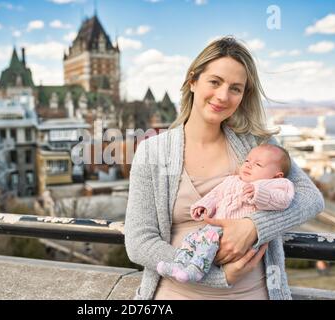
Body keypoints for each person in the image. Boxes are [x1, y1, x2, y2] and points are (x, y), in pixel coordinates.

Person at [124, 36, 324, 300]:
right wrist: (217, 276)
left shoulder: (256, 144)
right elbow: (139, 242)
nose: (222, 96)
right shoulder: (152, 152)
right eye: (215, 82)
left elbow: (311, 198)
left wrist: (252, 226)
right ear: (193, 81)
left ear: (243, 96)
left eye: (235, 88)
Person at [157, 144, 295, 284]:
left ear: (277, 176)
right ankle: (180, 264)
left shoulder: (277, 185)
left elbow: (284, 200)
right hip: (215, 230)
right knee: (192, 238)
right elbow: (215, 195)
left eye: (258, 164)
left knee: (207, 241)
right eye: (247, 161)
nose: (249, 165)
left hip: (240, 239)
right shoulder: (231, 181)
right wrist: (204, 206)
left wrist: (260, 194)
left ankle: (196, 270)